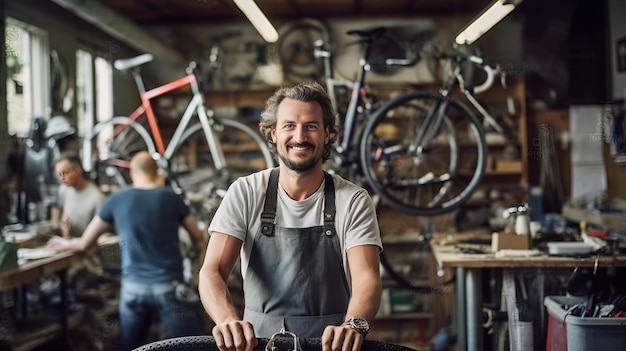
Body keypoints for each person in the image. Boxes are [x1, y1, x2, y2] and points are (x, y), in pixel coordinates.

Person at [198, 81, 382, 351]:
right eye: (288, 126)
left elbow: (367, 277)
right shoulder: (246, 192)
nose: (299, 137)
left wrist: (354, 324)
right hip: (257, 346)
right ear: (273, 133)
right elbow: (213, 270)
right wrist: (227, 321)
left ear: (328, 133)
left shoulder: (353, 200)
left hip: (331, 346)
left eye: (311, 126)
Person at [47, 151, 207, 351]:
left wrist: (61, 243)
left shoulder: (115, 200)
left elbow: (84, 243)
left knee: (132, 347)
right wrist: (197, 265)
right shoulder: (171, 198)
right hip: (169, 287)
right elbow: (198, 237)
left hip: (132, 289)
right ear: (156, 172)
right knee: (189, 346)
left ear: (132, 173)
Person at [54, 153, 105, 239]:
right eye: (59, 174)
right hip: (69, 244)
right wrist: (65, 226)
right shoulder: (64, 190)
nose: (62, 178)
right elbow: (65, 215)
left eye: (65, 173)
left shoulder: (97, 197)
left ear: (78, 171)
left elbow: (104, 235)